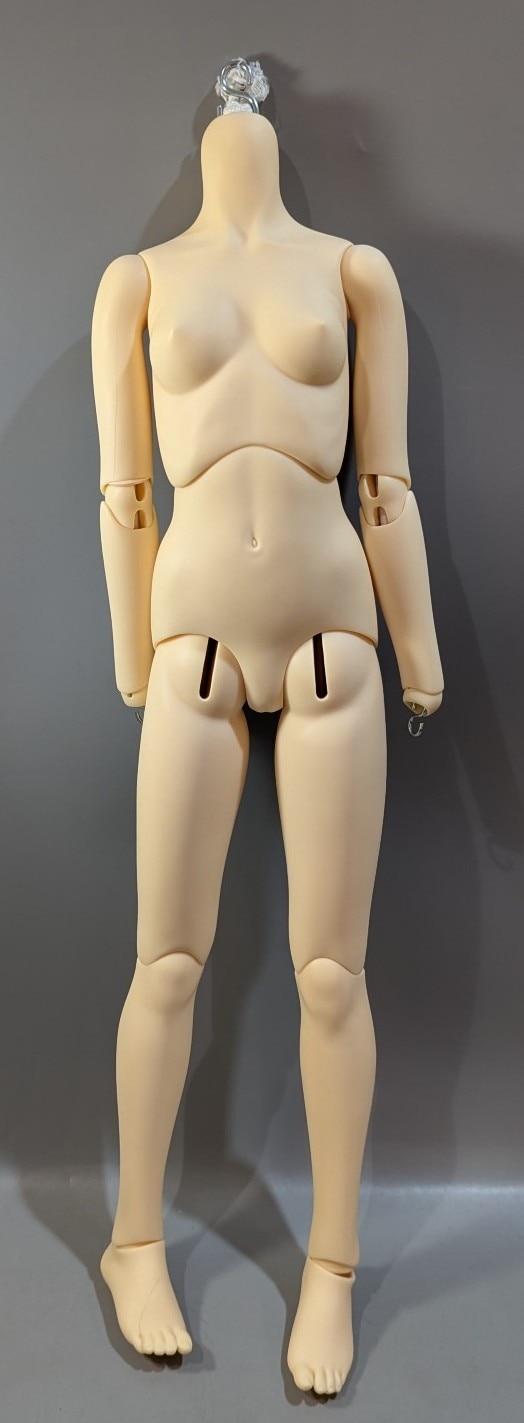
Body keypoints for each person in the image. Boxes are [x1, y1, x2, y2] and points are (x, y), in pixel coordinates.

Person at [92, 57, 443, 1398]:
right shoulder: (137, 283)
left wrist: (418, 654)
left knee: (331, 974)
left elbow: (385, 484)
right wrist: (133, 660)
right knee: (166, 961)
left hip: (332, 645)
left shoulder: (354, 274)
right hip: (189, 644)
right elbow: (126, 491)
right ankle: (133, 1239)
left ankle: (332, 1267)